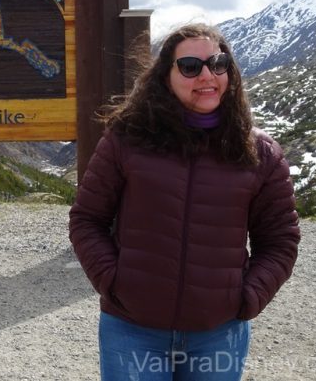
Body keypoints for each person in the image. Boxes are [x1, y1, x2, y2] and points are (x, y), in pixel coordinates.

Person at [69, 23, 300, 380]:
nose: (207, 75)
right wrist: (114, 283)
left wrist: (247, 297)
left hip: (218, 333)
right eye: (190, 66)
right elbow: (87, 219)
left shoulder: (261, 152)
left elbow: (281, 240)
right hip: (132, 329)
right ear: (166, 77)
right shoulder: (126, 139)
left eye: (218, 63)